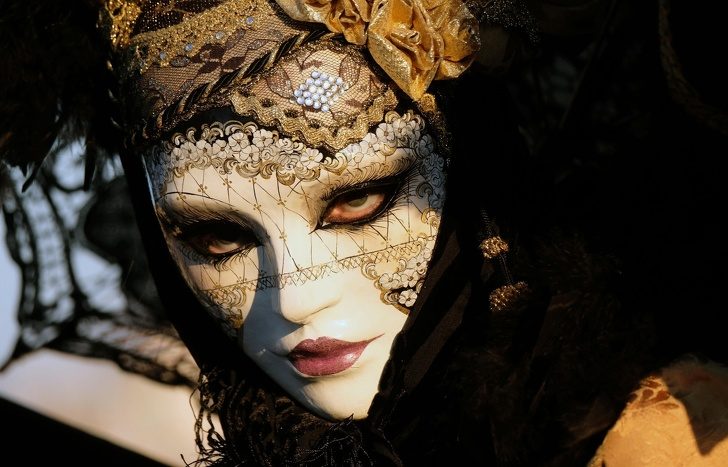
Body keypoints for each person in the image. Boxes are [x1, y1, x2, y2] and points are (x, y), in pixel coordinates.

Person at [2, 0, 728, 465]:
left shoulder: (664, 434)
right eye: (216, 239)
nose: (294, 300)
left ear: (467, 163)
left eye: (359, 201)